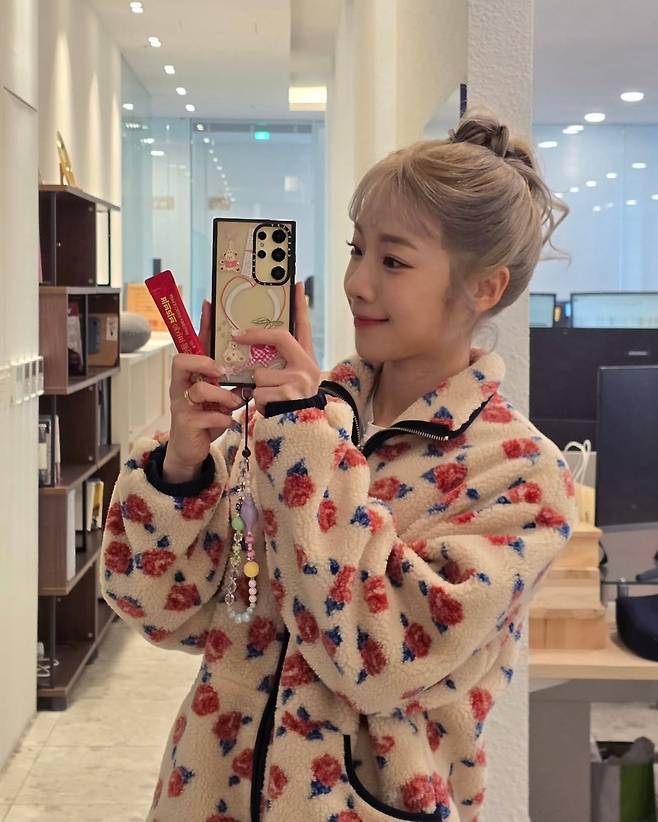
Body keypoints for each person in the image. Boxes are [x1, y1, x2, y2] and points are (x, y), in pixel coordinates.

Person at [100, 108, 578, 822]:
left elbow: (375, 662)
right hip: (207, 790)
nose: (356, 282)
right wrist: (182, 469)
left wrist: (300, 439)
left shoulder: (520, 475)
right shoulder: (300, 420)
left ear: (482, 288)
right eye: (357, 250)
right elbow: (165, 612)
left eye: (393, 261)